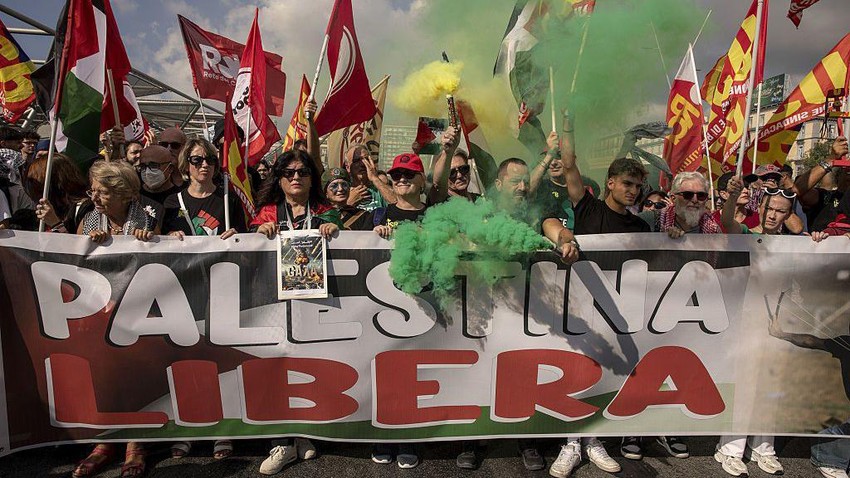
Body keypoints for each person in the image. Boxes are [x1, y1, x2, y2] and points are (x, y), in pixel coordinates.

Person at [548, 129, 650, 477]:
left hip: (618, 316)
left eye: (637, 186)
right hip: (578, 309)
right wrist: (568, 121)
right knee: (577, 373)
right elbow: (571, 164)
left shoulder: (641, 226)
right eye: (626, 184)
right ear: (610, 183)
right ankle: (571, 443)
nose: (632, 191)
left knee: (606, 375)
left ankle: (594, 440)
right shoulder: (586, 205)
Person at [716, 175, 828, 477]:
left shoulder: (794, 244)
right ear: (760, 208)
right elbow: (727, 223)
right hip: (745, 321)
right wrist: (731, 198)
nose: (773, 214)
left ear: (787, 214)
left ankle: (764, 447)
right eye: (769, 208)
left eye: (780, 210)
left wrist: (816, 240)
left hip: (779, 324)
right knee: (746, 385)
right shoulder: (746, 234)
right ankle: (731, 448)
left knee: (773, 386)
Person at [69, 160, 155, 478]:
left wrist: (146, 239)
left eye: (103, 191)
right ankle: (103, 443)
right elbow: (71, 258)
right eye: (94, 190)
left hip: (137, 312)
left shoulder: (147, 219)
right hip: (96, 314)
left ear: (123, 194)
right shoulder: (87, 219)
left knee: (134, 377)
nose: (95, 196)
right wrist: (88, 242)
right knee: (103, 377)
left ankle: (135, 444)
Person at [767, 311, 850, 478]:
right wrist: (782, 334)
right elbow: (810, 341)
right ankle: (829, 458)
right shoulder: (846, 343)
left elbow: (811, 341)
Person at [162, 138, 244, 239]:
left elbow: (243, 236)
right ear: (186, 165)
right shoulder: (173, 202)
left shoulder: (229, 199)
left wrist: (237, 234)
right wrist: (169, 235)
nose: (205, 165)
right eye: (197, 160)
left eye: (210, 160)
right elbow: (161, 237)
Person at [795, 137, 850, 232]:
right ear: (838, 176)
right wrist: (832, 158)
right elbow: (798, 189)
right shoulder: (826, 197)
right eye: (847, 170)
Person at [27, 153, 89, 233]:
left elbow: (78, 244)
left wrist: (55, 223)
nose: (34, 186)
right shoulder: (46, 207)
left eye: (37, 181)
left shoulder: (84, 208)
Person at [344, 143, 396, 211]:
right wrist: (349, 203)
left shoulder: (379, 189)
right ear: (348, 167)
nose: (362, 164)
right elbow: (335, 219)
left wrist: (375, 179)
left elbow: (399, 205)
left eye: (366, 159)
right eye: (356, 160)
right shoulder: (342, 190)